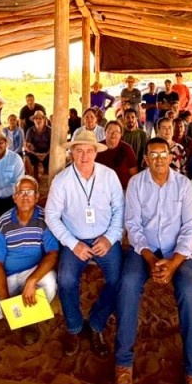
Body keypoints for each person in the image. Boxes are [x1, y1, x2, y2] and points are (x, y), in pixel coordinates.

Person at [115, 138, 192, 384]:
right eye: (152, 155)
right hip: (144, 250)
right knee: (128, 285)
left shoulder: (183, 184)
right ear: (145, 159)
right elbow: (132, 225)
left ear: (171, 157)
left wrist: (174, 262)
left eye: (163, 154)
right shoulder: (136, 183)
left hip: (178, 252)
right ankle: (123, 365)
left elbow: (190, 226)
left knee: (190, 294)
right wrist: (150, 259)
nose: (158, 160)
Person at [45, 130, 124, 357]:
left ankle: (97, 323)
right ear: (71, 153)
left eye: (89, 151)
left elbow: (120, 208)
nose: (84, 156)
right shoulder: (62, 180)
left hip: (105, 238)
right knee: (66, 281)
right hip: (75, 239)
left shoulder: (109, 176)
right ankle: (74, 327)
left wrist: (110, 237)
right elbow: (51, 216)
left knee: (118, 280)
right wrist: (73, 243)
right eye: (79, 151)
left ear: (96, 153)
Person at [0, 175, 59, 344]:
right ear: (14, 197)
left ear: (37, 196)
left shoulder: (45, 220)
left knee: (50, 284)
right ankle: (21, 307)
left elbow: (52, 254)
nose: (25, 196)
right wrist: (5, 300)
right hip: (8, 275)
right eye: (21, 192)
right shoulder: (3, 222)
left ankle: (29, 320)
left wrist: (32, 280)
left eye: (30, 192)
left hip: (33, 271)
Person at [0, 131, 26, 223]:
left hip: (13, 197)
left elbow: (18, 185)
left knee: (9, 219)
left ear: (6, 143)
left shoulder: (15, 159)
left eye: (0, 142)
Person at [96, 119, 138, 189]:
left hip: (123, 188)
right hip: (101, 188)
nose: (113, 134)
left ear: (120, 134)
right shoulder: (98, 147)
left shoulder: (127, 149)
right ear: (105, 132)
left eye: (117, 132)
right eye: (110, 131)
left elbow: (134, 174)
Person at [24, 110, 52, 179]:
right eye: (36, 118)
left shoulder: (49, 130)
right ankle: (32, 176)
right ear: (34, 120)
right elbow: (26, 146)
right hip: (34, 152)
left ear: (44, 119)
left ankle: (48, 172)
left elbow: (53, 145)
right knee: (26, 157)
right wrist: (36, 154)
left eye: (40, 118)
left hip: (47, 152)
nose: (38, 120)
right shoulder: (30, 131)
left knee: (55, 154)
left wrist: (46, 154)